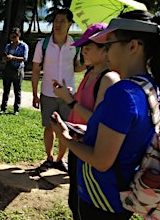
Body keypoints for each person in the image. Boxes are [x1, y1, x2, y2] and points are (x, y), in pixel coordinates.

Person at [51, 10, 160, 219]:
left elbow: (101, 161)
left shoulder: (122, 93)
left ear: (133, 46)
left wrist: (65, 138)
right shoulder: (150, 87)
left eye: (109, 45)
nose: (105, 51)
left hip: (101, 196)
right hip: (122, 193)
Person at [52, 23, 120, 220]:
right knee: (75, 199)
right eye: (83, 47)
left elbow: (98, 121)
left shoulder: (109, 79)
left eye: (89, 47)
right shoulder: (90, 72)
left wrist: (69, 100)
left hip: (90, 148)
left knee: (85, 203)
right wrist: (70, 95)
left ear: (105, 49)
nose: (84, 51)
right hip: (77, 143)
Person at [31, 8, 86, 172]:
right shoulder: (43, 44)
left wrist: (86, 65)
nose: (58, 24)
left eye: (63, 21)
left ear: (70, 23)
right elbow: (35, 69)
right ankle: (48, 157)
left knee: (66, 128)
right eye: (56, 20)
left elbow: (76, 67)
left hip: (68, 95)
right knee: (48, 127)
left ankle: (60, 159)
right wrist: (34, 94)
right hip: (47, 93)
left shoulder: (75, 46)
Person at [0, 27, 28, 115]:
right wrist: (5, 58)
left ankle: (16, 109)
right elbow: (4, 57)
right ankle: (3, 108)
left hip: (18, 70)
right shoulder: (8, 46)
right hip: (8, 68)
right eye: (11, 37)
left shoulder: (23, 46)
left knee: (17, 90)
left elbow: (24, 58)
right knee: (6, 89)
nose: (13, 39)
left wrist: (13, 57)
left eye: (14, 36)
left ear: (19, 36)